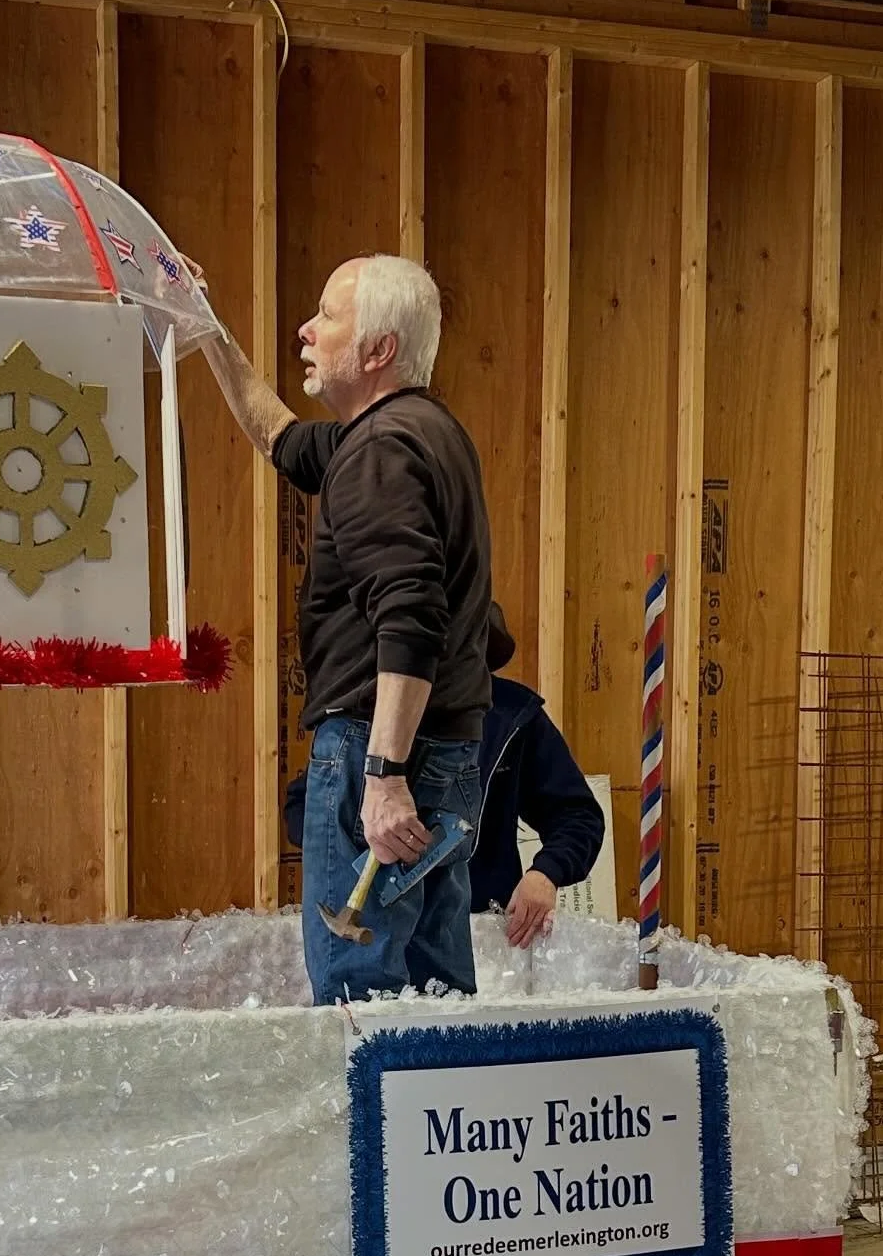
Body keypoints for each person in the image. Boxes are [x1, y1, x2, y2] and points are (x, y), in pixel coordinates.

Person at [201, 254, 493, 1005]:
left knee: (363, 1007)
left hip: (385, 749)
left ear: (376, 350)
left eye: (327, 315)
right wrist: (203, 327)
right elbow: (280, 439)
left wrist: (383, 774)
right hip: (447, 750)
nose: (305, 329)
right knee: (437, 1002)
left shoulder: (380, 453)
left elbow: (410, 615)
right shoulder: (419, 435)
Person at [285, 603, 605, 950]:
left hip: (480, 935)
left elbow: (577, 816)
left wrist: (546, 874)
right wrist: (369, 830)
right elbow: (302, 810)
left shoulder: (514, 717)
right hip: (377, 932)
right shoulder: (371, 714)